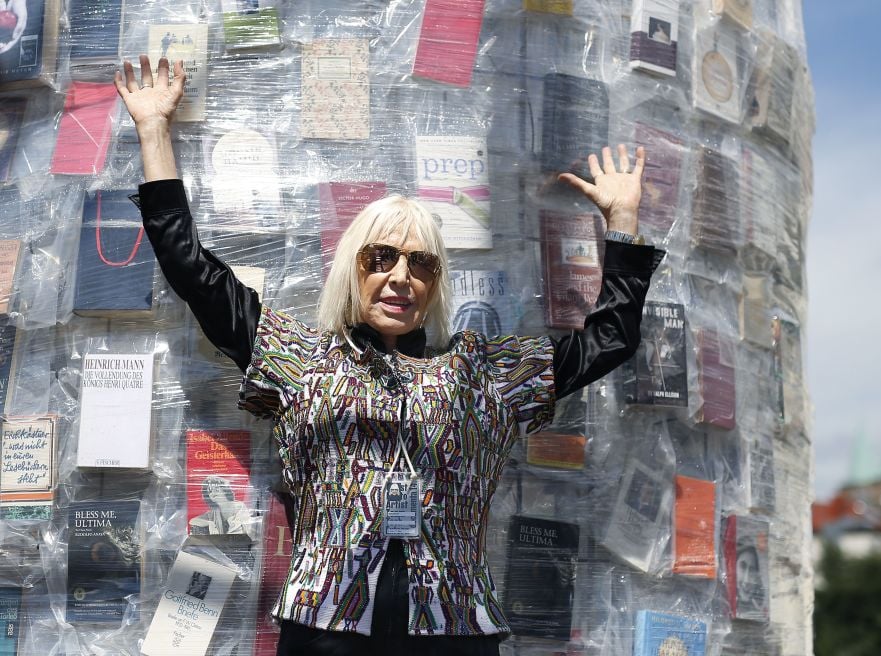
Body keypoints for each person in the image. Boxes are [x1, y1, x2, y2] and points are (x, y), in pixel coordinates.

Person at [115, 55, 666, 656]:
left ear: (434, 285)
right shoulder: (301, 358)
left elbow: (609, 340)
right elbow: (192, 270)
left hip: (452, 631)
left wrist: (624, 221)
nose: (400, 277)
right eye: (380, 259)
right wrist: (153, 130)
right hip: (327, 627)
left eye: (420, 264)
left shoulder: (484, 372)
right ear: (354, 269)